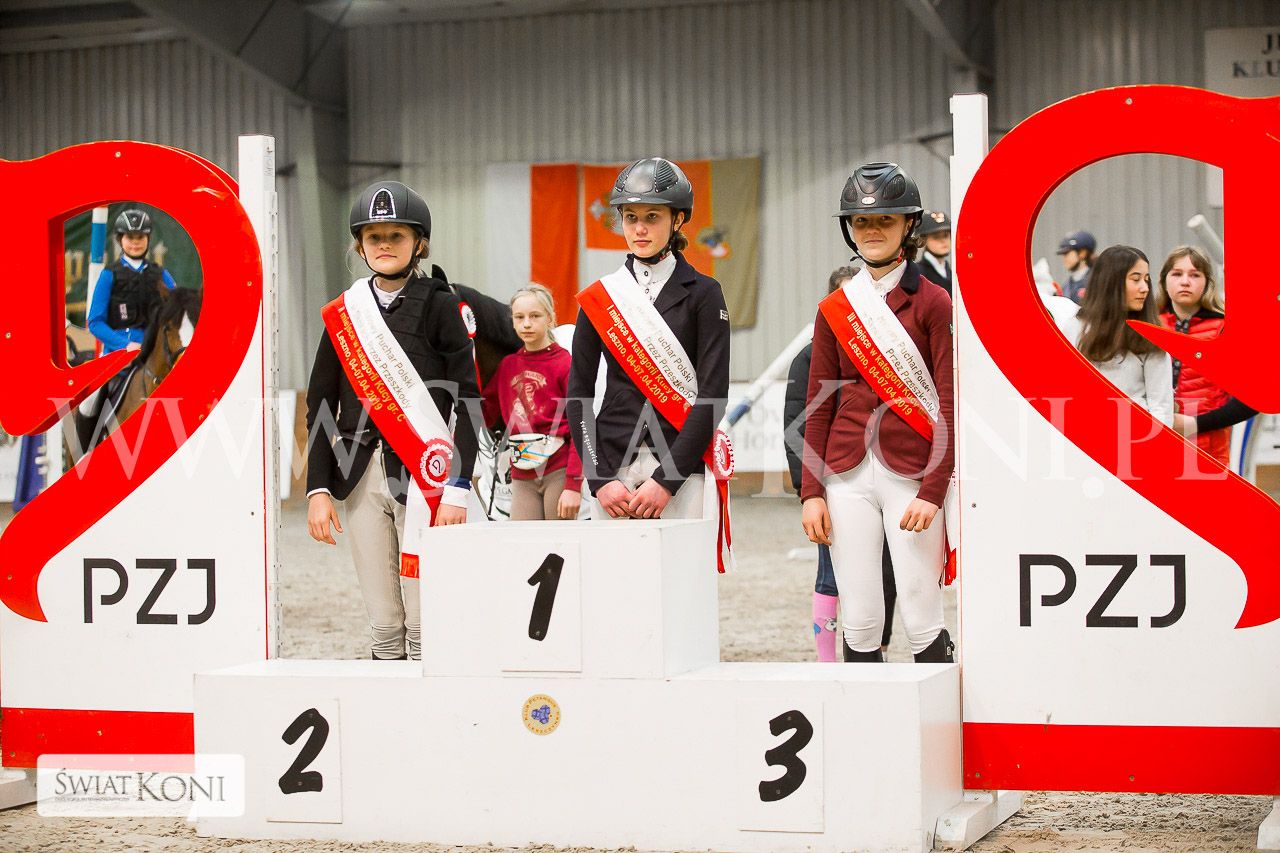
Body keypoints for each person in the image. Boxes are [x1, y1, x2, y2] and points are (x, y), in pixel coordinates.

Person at [305, 181, 479, 661]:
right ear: (359, 246)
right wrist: (317, 489)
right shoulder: (345, 314)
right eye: (374, 237)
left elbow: (468, 400)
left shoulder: (441, 304)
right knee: (382, 617)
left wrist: (457, 488)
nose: (384, 245)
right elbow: (320, 404)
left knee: (424, 617)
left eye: (396, 236)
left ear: (419, 243)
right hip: (359, 472)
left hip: (427, 475)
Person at [800, 162, 955, 664]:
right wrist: (811, 492)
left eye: (885, 220)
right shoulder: (835, 308)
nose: (872, 230)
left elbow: (949, 402)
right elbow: (818, 406)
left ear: (908, 225)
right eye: (862, 221)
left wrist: (933, 491)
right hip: (845, 475)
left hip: (912, 474)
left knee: (921, 614)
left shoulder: (934, 302)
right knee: (862, 618)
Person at [567, 157, 731, 537]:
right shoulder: (601, 298)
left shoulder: (705, 294)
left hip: (680, 468)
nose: (639, 229)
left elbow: (713, 396)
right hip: (613, 469)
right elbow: (578, 394)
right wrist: (598, 478)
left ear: (677, 220)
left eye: (652, 217)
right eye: (630, 218)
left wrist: (667, 480)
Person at [784, 264, 898, 662]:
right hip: (837, 480)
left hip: (888, 473)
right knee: (831, 575)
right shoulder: (809, 357)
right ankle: (827, 661)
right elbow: (797, 427)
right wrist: (809, 490)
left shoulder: (891, 351)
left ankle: (879, 648)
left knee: (885, 572)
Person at [482, 284, 583, 520]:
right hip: (522, 474)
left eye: (535, 316)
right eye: (519, 317)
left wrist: (573, 484)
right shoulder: (507, 366)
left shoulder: (565, 363)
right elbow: (485, 413)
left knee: (558, 541)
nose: (526, 324)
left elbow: (580, 426)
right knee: (522, 539)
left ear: (550, 318)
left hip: (558, 470)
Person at [1075, 245, 1173, 426]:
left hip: (1135, 437)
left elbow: (1162, 408)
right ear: (1111, 282)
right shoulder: (1075, 327)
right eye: (1135, 279)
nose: (1145, 288)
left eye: (1147, 280)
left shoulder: (1152, 337)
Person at [1157, 246, 1229, 465]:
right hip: (1153, 447)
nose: (1185, 282)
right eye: (1177, 274)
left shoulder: (1224, 329)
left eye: (1195, 275)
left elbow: (1249, 401)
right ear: (1164, 280)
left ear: (1207, 282)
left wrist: (1195, 424)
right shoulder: (1148, 326)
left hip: (1208, 453)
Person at [87, 209, 176, 355]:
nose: (135, 242)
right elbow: (95, 322)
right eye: (129, 237)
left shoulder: (161, 274)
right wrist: (125, 345)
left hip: (155, 351)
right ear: (120, 239)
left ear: (148, 238)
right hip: (119, 354)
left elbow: (177, 311)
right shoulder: (109, 275)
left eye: (140, 237)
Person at [1056, 229, 1096, 304]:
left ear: (1082, 253)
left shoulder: (1096, 282)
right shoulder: (1066, 286)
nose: (1064, 258)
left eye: (1066, 253)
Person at [916, 210, 952, 294]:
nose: (943, 241)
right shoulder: (917, 273)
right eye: (936, 237)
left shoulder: (950, 271)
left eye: (945, 235)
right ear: (923, 240)